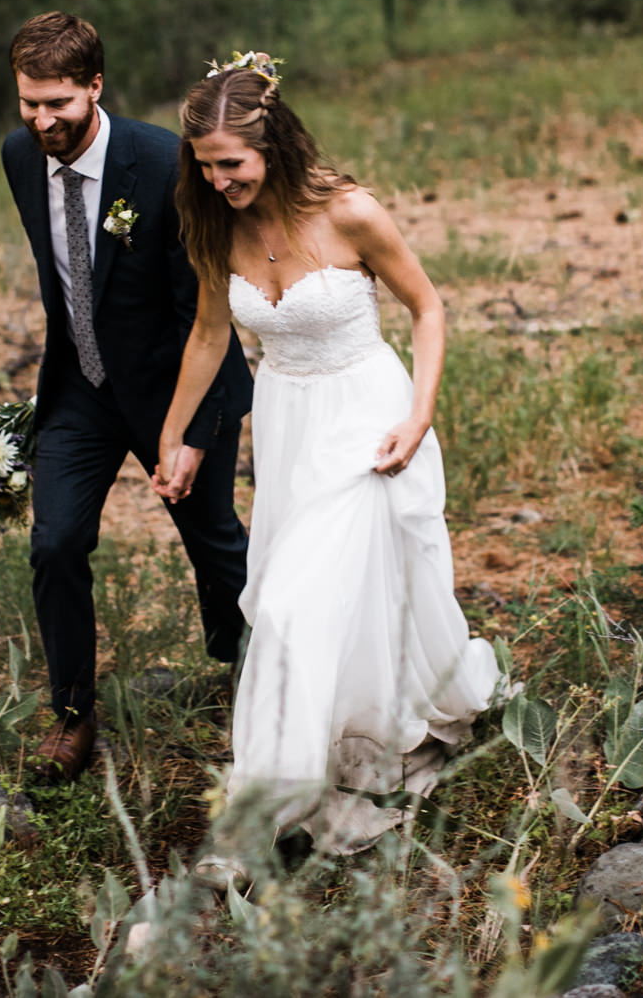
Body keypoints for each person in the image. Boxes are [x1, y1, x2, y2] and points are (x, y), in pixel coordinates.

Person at [154, 52, 499, 865]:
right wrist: (176, 435)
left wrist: (418, 416)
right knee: (322, 595)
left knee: (291, 605)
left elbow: (427, 306)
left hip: (368, 414)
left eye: (231, 164)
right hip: (289, 424)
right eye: (204, 167)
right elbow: (210, 336)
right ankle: (348, 727)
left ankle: (263, 810)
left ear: (272, 145)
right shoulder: (214, 225)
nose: (218, 181)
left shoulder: (350, 214)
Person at [1, 12, 253, 782]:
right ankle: (73, 713)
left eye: (60, 104)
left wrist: (192, 430)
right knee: (55, 542)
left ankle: (252, 675)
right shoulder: (19, 157)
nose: (44, 121)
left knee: (213, 539)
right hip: (80, 385)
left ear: (95, 87)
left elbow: (202, 313)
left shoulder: (163, 163)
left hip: (174, 382)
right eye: (30, 103)